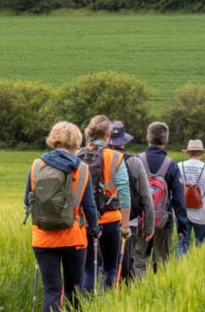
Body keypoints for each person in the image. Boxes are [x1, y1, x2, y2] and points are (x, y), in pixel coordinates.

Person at [23, 121, 100, 312]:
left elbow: (27, 200)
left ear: (53, 140)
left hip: (43, 239)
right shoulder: (82, 169)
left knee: (51, 291)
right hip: (73, 239)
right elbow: (90, 207)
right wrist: (94, 228)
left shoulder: (36, 165)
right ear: (76, 142)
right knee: (74, 290)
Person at [77, 115, 131, 291]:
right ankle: (106, 305)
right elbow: (123, 192)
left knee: (87, 270)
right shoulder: (116, 157)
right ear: (109, 135)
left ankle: (84, 309)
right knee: (109, 268)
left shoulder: (78, 155)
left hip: (83, 220)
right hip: (110, 221)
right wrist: (125, 225)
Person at [137, 122, 189, 272]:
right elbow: (179, 199)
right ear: (166, 141)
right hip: (163, 222)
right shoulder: (171, 165)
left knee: (139, 261)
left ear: (148, 137)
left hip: (141, 220)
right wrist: (182, 227)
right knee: (161, 263)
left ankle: (138, 293)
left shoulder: (137, 160)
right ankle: (158, 293)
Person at [107, 120, 155, 280]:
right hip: (129, 223)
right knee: (126, 266)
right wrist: (149, 225)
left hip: (102, 220)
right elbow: (146, 196)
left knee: (104, 267)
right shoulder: (134, 162)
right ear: (124, 141)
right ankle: (125, 297)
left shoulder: (99, 159)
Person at [177, 139, 205, 256]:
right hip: (203, 212)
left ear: (188, 152)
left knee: (182, 243)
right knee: (202, 244)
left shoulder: (179, 166)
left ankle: (179, 271)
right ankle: (201, 270)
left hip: (183, 212)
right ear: (201, 153)